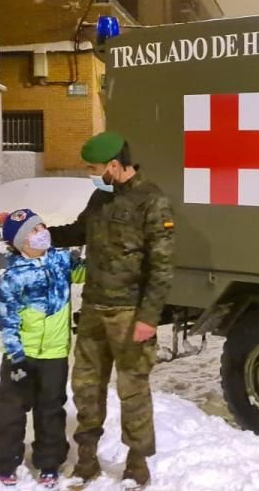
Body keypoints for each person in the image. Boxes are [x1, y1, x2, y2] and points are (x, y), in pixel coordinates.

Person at [49, 131, 175, 488]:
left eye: (95, 167)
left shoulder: (152, 202)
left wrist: (149, 318)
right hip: (93, 307)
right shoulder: (99, 197)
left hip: (129, 313)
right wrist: (38, 232)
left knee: (132, 389)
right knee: (86, 385)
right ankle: (87, 459)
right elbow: (78, 231)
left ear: (115, 166)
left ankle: (137, 463)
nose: (92, 173)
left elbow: (162, 267)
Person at [0, 208, 84, 488]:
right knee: (11, 411)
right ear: (21, 242)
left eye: (42, 226)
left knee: (51, 410)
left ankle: (49, 462)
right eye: (34, 230)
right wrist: (16, 357)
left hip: (55, 355)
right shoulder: (13, 276)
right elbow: (6, 319)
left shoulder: (61, 261)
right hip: (22, 355)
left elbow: (85, 273)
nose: (42, 232)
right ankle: (5, 463)